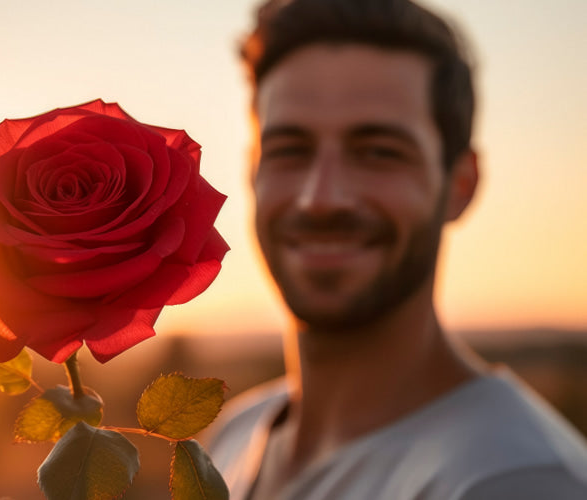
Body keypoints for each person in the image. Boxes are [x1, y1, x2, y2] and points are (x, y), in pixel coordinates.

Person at [204, 0, 587, 498]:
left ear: (461, 183)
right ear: (253, 170)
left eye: (378, 152)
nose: (321, 198)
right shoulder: (234, 433)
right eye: (289, 150)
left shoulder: (514, 479)